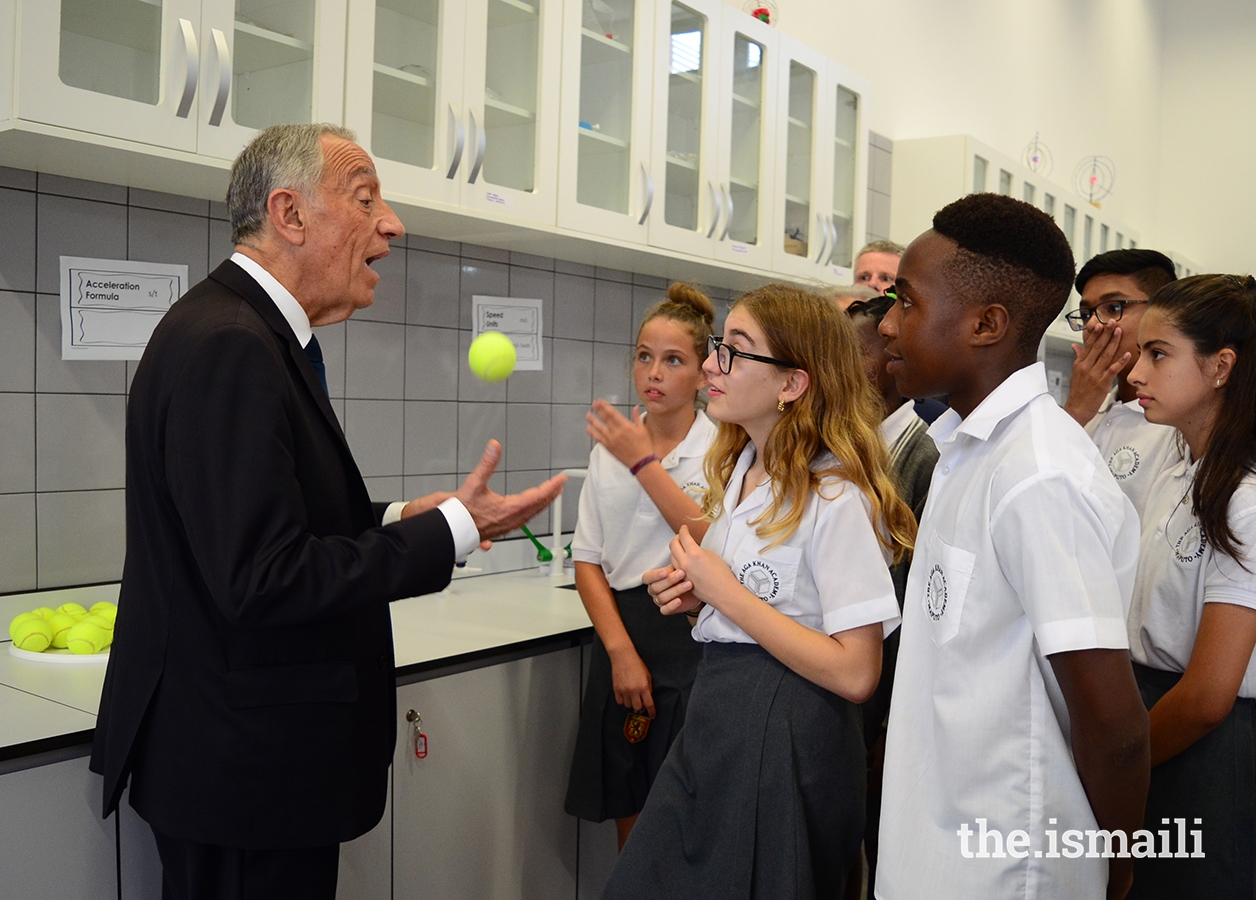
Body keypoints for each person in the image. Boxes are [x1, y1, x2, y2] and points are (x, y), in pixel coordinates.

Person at [89, 124, 565, 900]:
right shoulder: (231, 346)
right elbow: (264, 577)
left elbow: (284, 522)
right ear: (290, 214)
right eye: (366, 198)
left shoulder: (249, 334)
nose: (393, 225)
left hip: (249, 768)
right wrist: (447, 535)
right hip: (244, 775)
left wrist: (411, 514)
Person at [875, 193, 1150, 900]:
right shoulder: (969, 453)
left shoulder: (1038, 473)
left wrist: (1116, 868)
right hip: (934, 849)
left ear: (986, 324)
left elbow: (1113, 721)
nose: (886, 325)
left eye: (906, 302)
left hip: (1007, 868)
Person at [604, 283, 917, 900]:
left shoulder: (836, 494)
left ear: (791, 385)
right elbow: (775, 595)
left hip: (783, 727)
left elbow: (857, 672)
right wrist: (702, 594)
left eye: (736, 352)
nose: (713, 366)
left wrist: (726, 593)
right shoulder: (747, 467)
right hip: (720, 713)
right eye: (722, 346)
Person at [564, 284, 718, 850]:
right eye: (644, 356)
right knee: (632, 811)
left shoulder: (725, 448)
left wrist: (645, 463)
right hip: (626, 634)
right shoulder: (609, 450)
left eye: (674, 360)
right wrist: (620, 652)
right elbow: (588, 560)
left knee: (689, 817)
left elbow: (713, 540)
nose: (653, 372)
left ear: (704, 375)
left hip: (695, 637)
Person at [1122, 274, 1256, 898]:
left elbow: (1207, 694)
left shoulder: (1246, 501)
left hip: (1204, 745)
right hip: (1153, 717)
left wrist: (1118, 763)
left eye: (1158, 354)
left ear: (1221, 366)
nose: (1136, 374)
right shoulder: (1176, 470)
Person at [845, 293, 939, 900]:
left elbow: (910, 605)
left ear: (886, 363)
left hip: (886, 699)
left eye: (848, 356)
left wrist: (886, 724)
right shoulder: (857, 447)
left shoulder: (923, 455)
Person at [1063, 249, 1181, 517]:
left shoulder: (1179, 425)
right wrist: (1074, 413)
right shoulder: (1082, 413)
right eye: (1085, 313)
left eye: (1114, 308)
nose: (1093, 324)